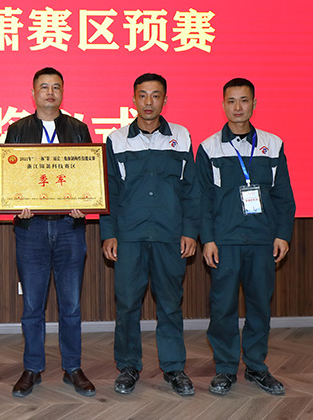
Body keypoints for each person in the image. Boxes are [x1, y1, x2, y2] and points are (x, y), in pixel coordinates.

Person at [100, 73, 200, 397]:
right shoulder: (116, 140)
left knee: (170, 304)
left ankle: (173, 367)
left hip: (170, 235)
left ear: (165, 100)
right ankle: (128, 366)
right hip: (129, 236)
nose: (148, 102)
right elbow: (109, 191)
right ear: (133, 99)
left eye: (155, 95)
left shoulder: (181, 137)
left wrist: (190, 231)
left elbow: (191, 190)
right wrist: (108, 233)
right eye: (142, 95)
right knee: (127, 304)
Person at [195, 78, 296, 396]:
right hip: (224, 242)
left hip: (263, 240)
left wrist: (283, 234)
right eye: (231, 101)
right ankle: (225, 369)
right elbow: (203, 200)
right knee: (222, 307)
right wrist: (207, 239)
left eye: (244, 100)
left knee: (259, 306)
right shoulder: (209, 148)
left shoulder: (273, 144)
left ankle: (255, 366)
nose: (237, 107)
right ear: (223, 105)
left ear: (254, 104)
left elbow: (284, 196)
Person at [4, 67, 95, 398]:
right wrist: (17, 204)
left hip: (70, 226)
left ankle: (73, 368)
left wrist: (84, 203)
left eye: (56, 87)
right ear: (33, 93)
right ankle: (33, 368)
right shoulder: (17, 129)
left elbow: (86, 175)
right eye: (44, 87)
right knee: (32, 305)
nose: (50, 92)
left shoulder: (78, 129)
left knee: (71, 305)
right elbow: (11, 177)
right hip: (32, 228)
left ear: (62, 93)